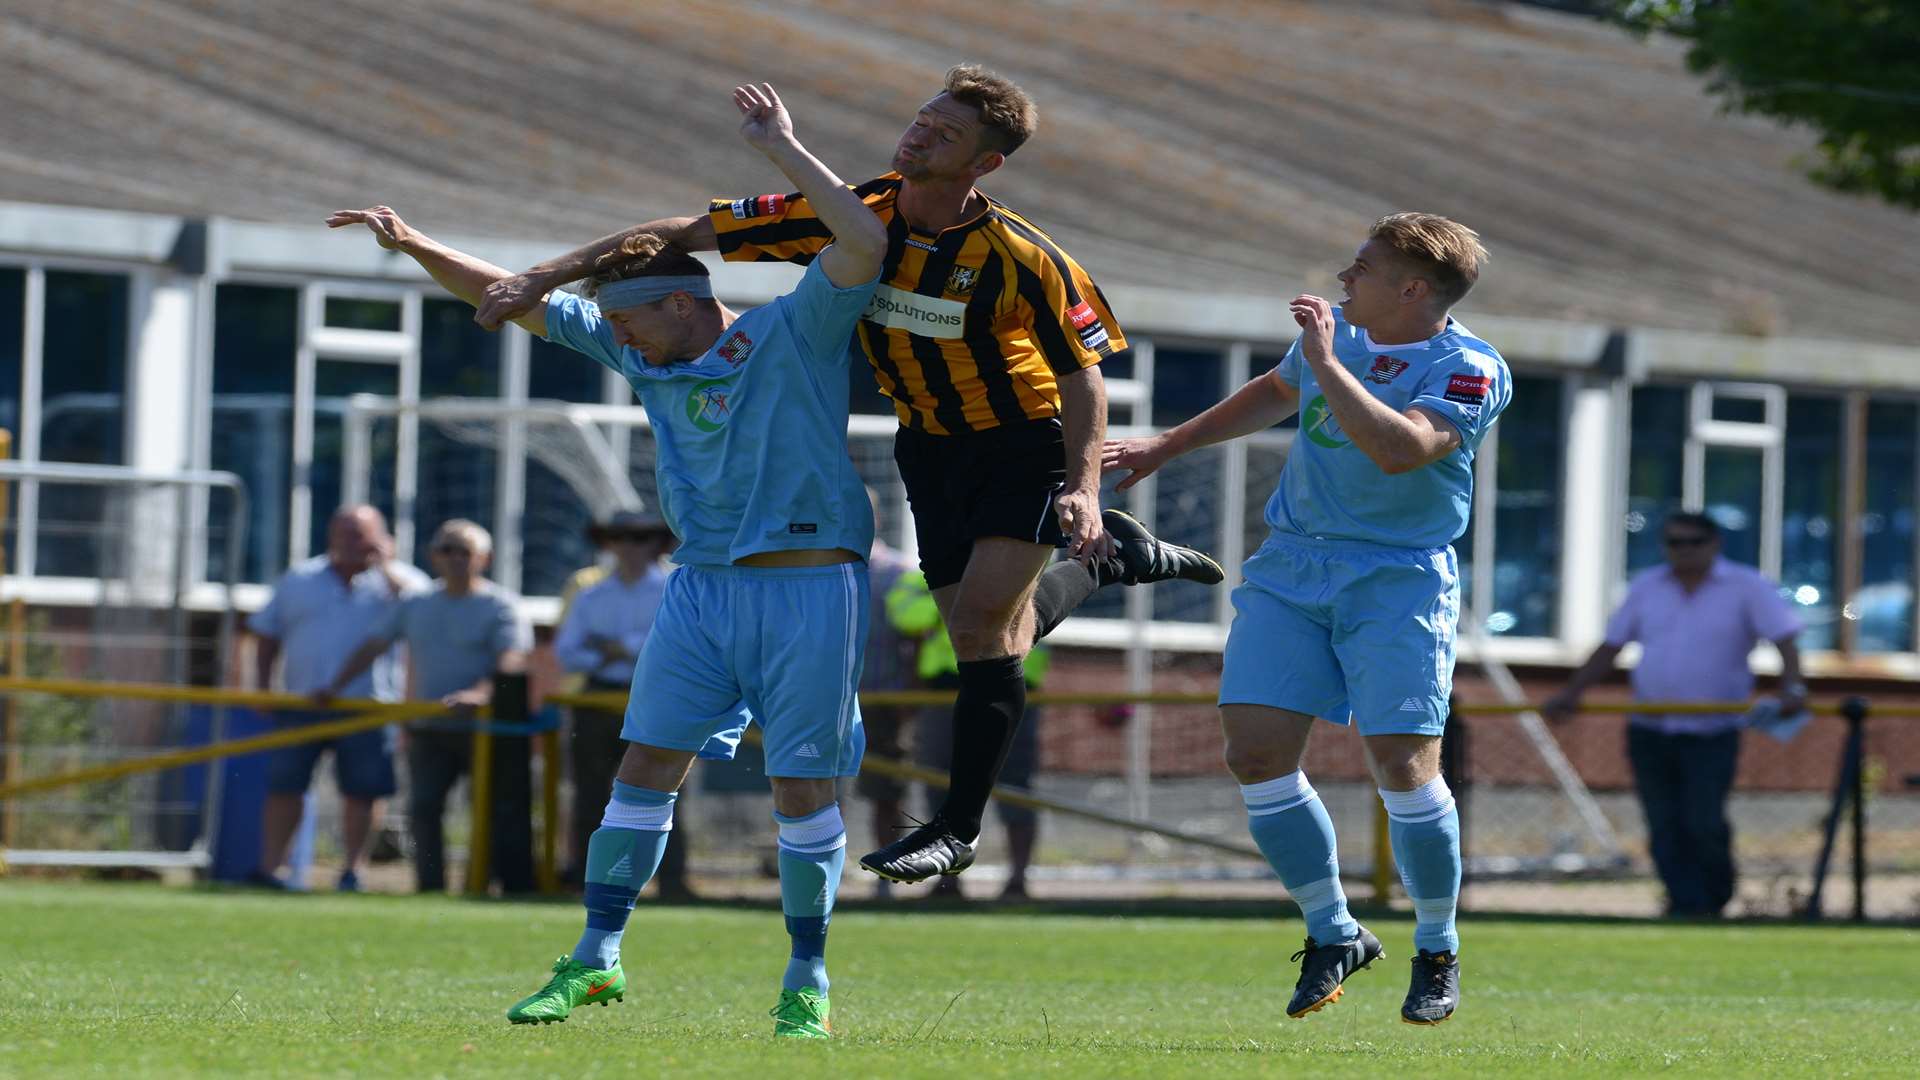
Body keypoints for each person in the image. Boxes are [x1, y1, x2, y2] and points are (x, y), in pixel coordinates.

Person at [474, 63, 1224, 884]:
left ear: (985, 164)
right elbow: (682, 234)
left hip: (1022, 439)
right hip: (928, 446)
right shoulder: (849, 211)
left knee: (979, 630)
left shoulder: (1021, 257)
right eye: (921, 119)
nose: (918, 135)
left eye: (944, 133)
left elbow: (1083, 374)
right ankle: (1109, 555)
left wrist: (1079, 485)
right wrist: (543, 276)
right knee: (984, 632)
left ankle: (957, 828)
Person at [330, 79, 886, 1039]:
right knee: (643, 768)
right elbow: (507, 299)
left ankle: (807, 980)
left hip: (807, 588)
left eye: (630, 324)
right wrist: (415, 245)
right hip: (700, 590)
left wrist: (781, 151)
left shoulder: (795, 330)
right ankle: (596, 959)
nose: (621, 342)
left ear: (681, 301)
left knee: (801, 787)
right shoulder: (648, 355)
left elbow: (867, 241)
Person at [1105, 213, 1508, 1026]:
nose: (1341, 280)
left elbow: (1400, 449)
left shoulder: (1469, 368)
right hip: (1294, 567)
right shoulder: (1337, 340)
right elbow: (1277, 392)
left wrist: (1326, 359)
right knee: (1253, 752)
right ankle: (1333, 930)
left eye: (1359, 269)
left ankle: (1437, 946)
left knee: (1401, 766)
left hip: (1397, 579)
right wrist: (1164, 447)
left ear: (1411, 289)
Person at [1542, 512, 1805, 918]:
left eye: (1693, 542)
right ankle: (1683, 902)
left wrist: (1793, 687)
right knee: (1663, 822)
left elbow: (1785, 638)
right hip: (1651, 727)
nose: (1683, 550)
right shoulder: (1648, 585)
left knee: (1703, 820)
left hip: (1713, 728)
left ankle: (1713, 900)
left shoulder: (1746, 585)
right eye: (1674, 543)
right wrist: (1573, 692)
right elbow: (1612, 645)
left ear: (1714, 543)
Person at [315, 519, 533, 894]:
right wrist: (333, 686)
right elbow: (374, 645)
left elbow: (511, 660)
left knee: (494, 811)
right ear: (433, 557)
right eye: (447, 550)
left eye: (464, 551)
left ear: (484, 558)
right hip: (430, 728)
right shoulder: (416, 603)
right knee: (425, 809)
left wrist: (480, 694)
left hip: (486, 729)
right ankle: (430, 887)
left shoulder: (501, 605)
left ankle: (498, 887)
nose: (455, 559)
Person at [246, 505, 430, 891]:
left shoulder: (401, 582)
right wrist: (262, 687)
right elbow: (266, 634)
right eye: (344, 534)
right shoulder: (300, 579)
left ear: (382, 540)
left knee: (362, 791)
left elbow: (427, 616)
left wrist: (385, 569)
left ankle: (352, 870)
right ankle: (271, 869)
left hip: (367, 706)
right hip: (302, 702)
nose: (351, 543)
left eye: (360, 535)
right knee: (285, 785)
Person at [886, 566, 1048, 901]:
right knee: (937, 786)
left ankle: (1018, 879)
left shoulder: (1022, 563)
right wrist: (969, 600)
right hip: (943, 697)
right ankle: (945, 879)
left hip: (1010, 691)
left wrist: (956, 603)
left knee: (1015, 786)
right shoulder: (924, 572)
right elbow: (905, 616)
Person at [552, 510, 690, 898]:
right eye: (622, 538)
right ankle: (586, 879)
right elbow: (567, 653)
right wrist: (630, 648)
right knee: (589, 794)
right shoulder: (591, 593)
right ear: (608, 544)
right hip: (597, 700)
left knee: (667, 792)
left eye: (640, 538)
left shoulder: (673, 587)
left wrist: (615, 647)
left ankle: (673, 884)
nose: (630, 547)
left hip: (656, 700)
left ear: (656, 544)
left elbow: (673, 646)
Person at [850, 491, 922, 900]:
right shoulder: (821, 569)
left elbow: (914, 643)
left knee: (887, 793)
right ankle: (823, 871)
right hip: (830, 701)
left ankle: (887, 875)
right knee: (818, 789)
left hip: (882, 703)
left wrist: (907, 702)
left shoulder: (898, 572)